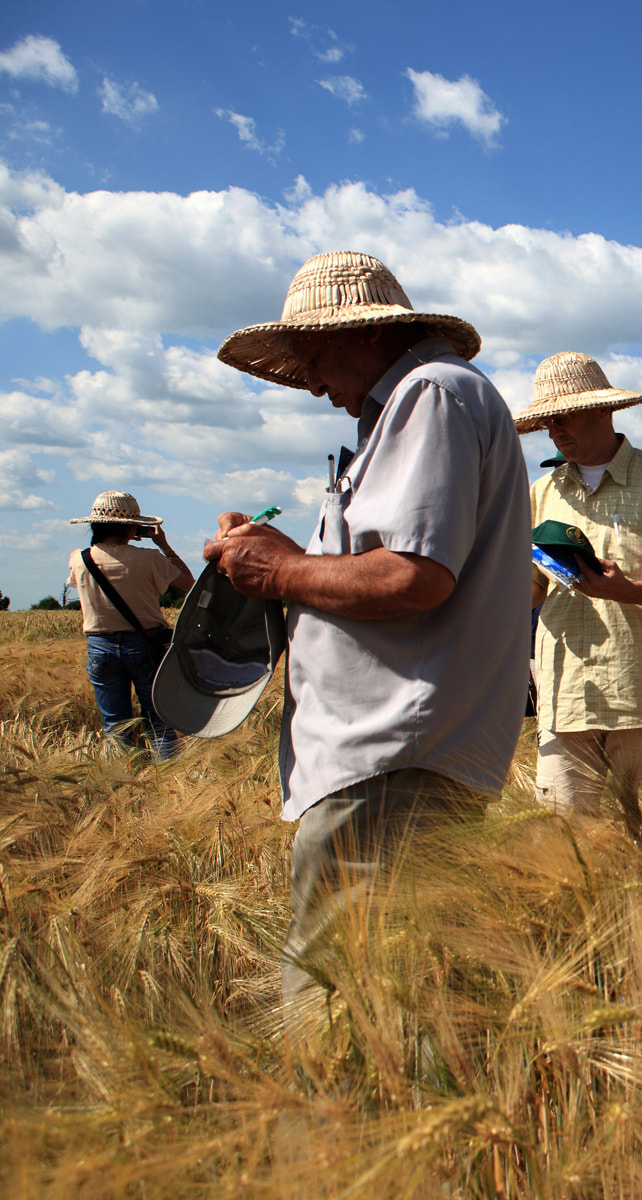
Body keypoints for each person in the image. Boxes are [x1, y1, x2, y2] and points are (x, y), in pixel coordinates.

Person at [206, 250, 531, 1005]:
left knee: (341, 1010)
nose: (313, 382)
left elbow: (411, 575)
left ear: (363, 333)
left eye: (313, 355)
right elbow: (384, 562)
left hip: (392, 762)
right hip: (399, 758)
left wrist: (281, 575)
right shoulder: (420, 404)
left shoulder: (432, 395)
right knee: (401, 1001)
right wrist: (276, 556)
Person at [514, 351, 642, 828]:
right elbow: (532, 591)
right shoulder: (541, 493)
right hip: (565, 699)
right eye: (547, 422)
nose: (554, 431)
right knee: (563, 850)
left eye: (563, 417)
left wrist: (628, 591)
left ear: (604, 409)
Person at [66, 490, 193, 759]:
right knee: (159, 722)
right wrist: (164, 546)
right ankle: (169, 782)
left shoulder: (79, 558)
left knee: (116, 725)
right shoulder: (149, 558)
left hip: (100, 646)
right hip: (145, 645)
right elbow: (187, 581)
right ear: (133, 526)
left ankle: (124, 781)